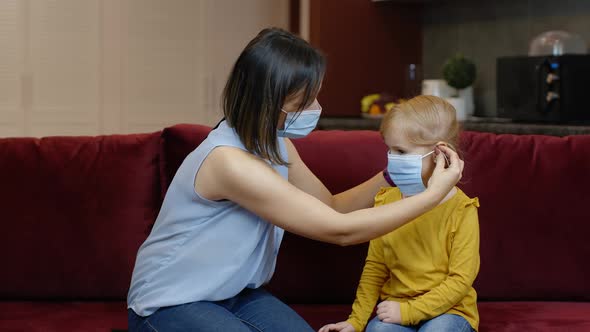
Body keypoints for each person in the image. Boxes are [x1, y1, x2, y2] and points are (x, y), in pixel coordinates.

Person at [126, 28, 464, 332]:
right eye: (305, 101)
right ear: (268, 101)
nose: (317, 107)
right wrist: (433, 196)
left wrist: (395, 172)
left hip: (233, 294)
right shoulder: (228, 163)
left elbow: (333, 207)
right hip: (169, 300)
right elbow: (339, 230)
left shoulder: (275, 143)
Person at [319, 95, 480, 332]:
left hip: (449, 312)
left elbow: (461, 280)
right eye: (390, 150)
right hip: (396, 310)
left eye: (402, 152)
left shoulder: (462, 209)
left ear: (439, 153)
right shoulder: (386, 200)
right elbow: (375, 268)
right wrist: (356, 321)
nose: (392, 160)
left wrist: (409, 312)